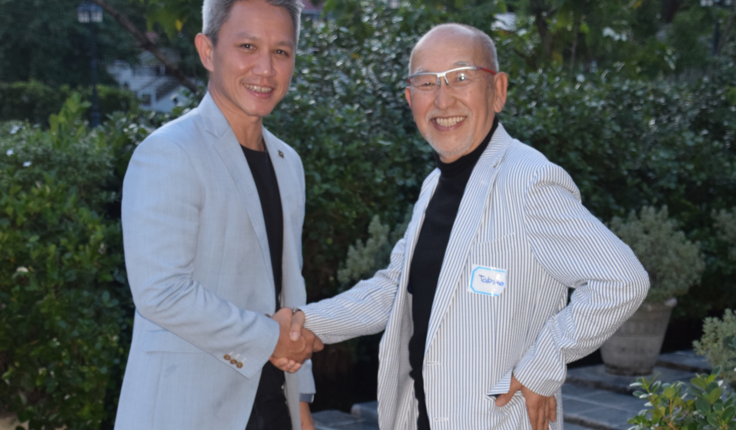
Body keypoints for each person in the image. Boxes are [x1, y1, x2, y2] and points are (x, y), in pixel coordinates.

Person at [289, 23, 650, 430]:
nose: (443, 99)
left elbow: (622, 279)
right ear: (410, 99)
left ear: (498, 90)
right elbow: (395, 290)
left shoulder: (528, 180)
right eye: (427, 83)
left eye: (461, 78)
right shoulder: (434, 186)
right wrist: (302, 323)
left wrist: (542, 367)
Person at [114, 0, 322, 429]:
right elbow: (162, 292)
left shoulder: (288, 161)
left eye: (281, 52)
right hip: (185, 411)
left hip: (272, 409)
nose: (265, 68)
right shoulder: (168, 153)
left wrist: (301, 403)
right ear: (207, 51)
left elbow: (290, 291)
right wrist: (270, 337)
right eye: (247, 46)